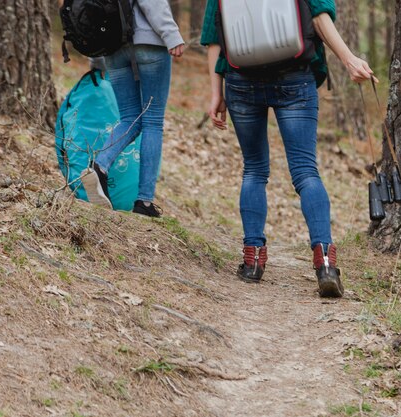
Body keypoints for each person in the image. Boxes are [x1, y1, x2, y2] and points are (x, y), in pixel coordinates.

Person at [201, 0, 377, 297]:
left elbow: (214, 36)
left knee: (254, 170)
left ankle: (253, 261)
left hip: (241, 81)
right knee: (306, 172)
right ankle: (325, 263)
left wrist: (216, 93)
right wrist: (348, 59)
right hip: (294, 76)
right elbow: (320, 17)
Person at [81, 0, 185, 218]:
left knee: (129, 117)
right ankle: (144, 201)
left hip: (112, 47)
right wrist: (171, 34)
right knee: (152, 121)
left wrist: (95, 59)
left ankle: (99, 167)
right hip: (148, 42)